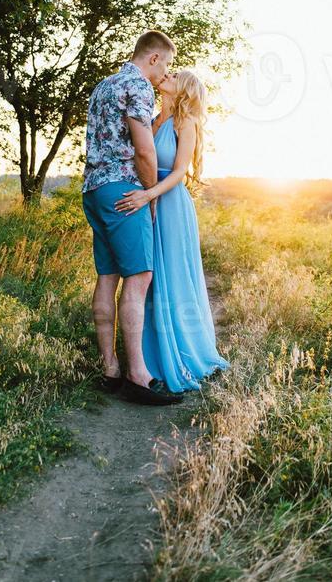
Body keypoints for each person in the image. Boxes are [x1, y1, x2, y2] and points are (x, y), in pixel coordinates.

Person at [81, 30, 183, 406]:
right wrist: (149, 196)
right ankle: (138, 376)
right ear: (153, 58)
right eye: (167, 64)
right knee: (139, 278)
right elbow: (143, 150)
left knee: (107, 277)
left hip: (93, 189)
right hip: (123, 191)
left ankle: (108, 368)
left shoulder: (104, 85)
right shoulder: (138, 86)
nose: (165, 74)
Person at [114, 69, 229, 393]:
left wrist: (149, 195)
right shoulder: (150, 119)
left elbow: (180, 171)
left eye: (175, 74)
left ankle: (182, 352)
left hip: (169, 205)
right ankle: (146, 361)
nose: (167, 74)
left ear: (185, 89)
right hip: (144, 202)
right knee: (146, 277)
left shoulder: (185, 122)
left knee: (172, 275)